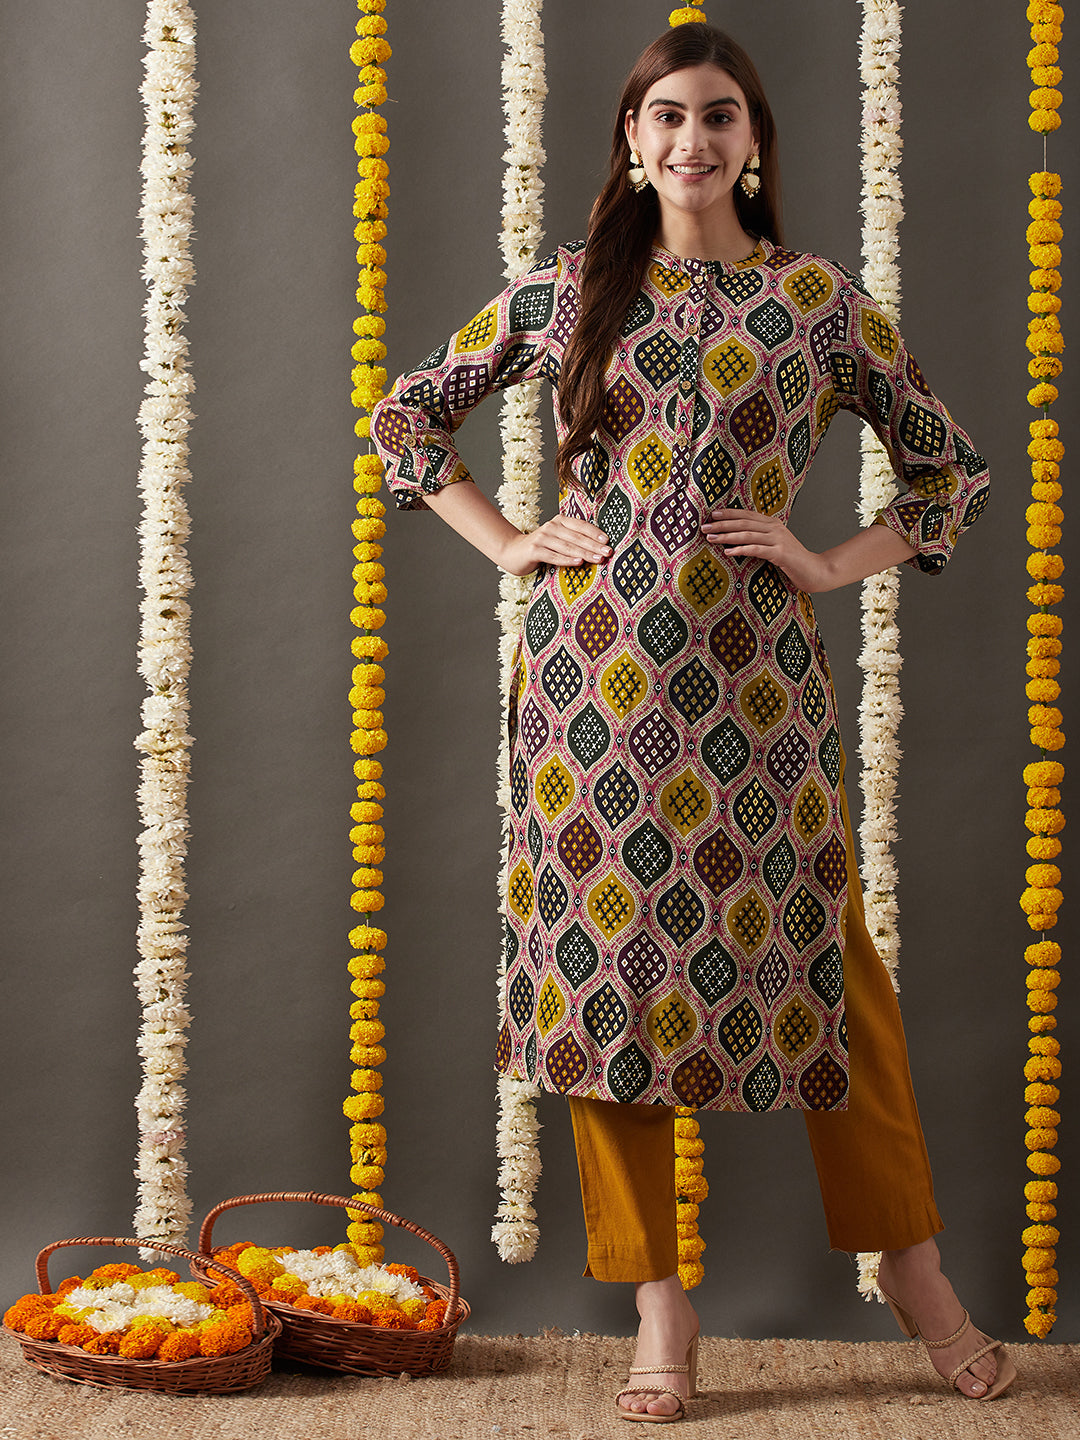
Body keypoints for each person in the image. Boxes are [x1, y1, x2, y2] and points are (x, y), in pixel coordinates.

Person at [371, 22, 1013, 1423]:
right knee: (605, 985)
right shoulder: (568, 288)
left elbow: (949, 473)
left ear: (754, 139)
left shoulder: (817, 302)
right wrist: (510, 543)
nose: (692, 139)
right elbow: (408, 420)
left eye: (719, 115)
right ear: (631, 136)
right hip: (590, 693)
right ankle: (659, 1304)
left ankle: (917, 1276)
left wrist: (830, 562)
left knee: (836, 980)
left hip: (757, 690)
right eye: (666, 115)